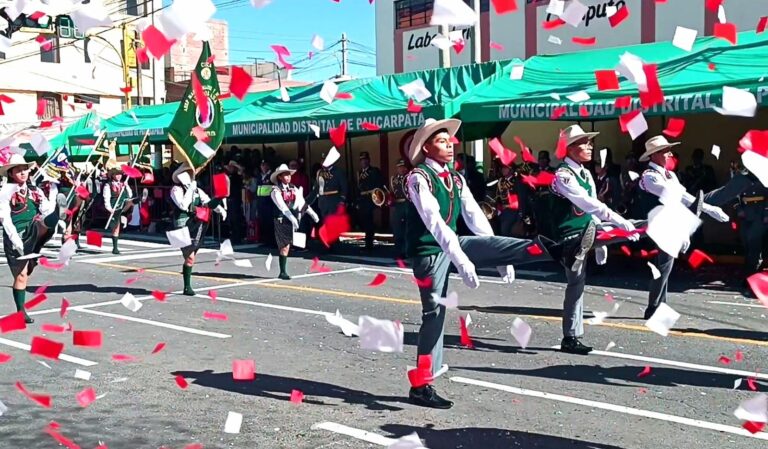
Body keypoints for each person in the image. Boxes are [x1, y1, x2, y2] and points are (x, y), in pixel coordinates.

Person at [404, 119, 591, 409]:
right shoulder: (418, 178)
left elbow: (474, 214)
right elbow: (434, 221)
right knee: (434, 315)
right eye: (442, 142)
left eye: (450, 141)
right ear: (426, 147)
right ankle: (422, 386)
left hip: (453, 244)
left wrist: (499, 257)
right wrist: (463, 261)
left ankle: (556, 250)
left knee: (495, 242)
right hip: (430, 252)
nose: (450, 146)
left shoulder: (455, 177)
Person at [550, 125, 639, 354]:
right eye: (583, 142)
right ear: (569, 148)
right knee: (575, 284)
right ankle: (570, 337)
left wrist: (602, 236)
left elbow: (591, 211)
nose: (590, 146)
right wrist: (617, 222)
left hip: (586, 231)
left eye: (590, 141)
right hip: (569, 236)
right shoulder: (563, 175)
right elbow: (588, 204)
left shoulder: (585, 173)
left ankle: (571, 336)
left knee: (577, 285)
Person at [0, 154, 58, 323]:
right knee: (22, 276)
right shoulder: (5, 193)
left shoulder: (35, 191)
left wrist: (53, 194)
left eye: (25, 169)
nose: (23, 173)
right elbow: (5, 219)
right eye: (19, 170)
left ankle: (48, 227)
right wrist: (15, 241)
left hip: (34, 231)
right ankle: (21, 312)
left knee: (43, 221)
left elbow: (46, 209)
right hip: (17, 236)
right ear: (11, 173)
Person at [170, 164, 226, 295]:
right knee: (189, 257)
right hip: (182, 225)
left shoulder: (197, 190)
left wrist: (219, 206)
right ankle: (187, 286)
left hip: (196, 224)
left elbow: (207, 203)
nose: (189, 176)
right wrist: (190, 189)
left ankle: (186, 285)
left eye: (190, 173)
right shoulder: (176, 190)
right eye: (185, 173)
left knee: (191, 257)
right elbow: (183, 205)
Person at [269, 164, 319, 280]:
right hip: (281, 218)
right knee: (284, 245)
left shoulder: (293, 188)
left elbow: (301, 203)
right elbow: (282, 207)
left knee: (289, 244)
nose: (288, 177)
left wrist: (312, 214)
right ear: (280, 177)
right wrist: (292, 218)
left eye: (289, 174)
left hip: (292, 217)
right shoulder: (275, 191)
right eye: (285, 175)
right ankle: (282, 271)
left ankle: (283, 270)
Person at [307, 156, 347, 248]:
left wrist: (342, 200)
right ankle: (329, 243)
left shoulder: (338, 172)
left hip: (334, 200)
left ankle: (332, 244)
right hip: (323, 201)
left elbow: (344, 187)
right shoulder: (320, 173)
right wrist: (307, 201)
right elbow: (316, 189)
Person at [356, 152, 384, 252]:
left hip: (371, 198)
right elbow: (358, 188)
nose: (363, 162)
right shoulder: (359, 173)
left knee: (369, 223)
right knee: (364, 222)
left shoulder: (374, 171)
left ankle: (369, 245)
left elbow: (379, 184)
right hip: (362, 200)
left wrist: (378, 200)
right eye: (362, 160)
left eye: (365, 160)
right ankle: (368, 243)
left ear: (368, 160)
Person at [103, 166, 134, 255]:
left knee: (131, 200)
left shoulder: (123, 184)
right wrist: (109, 208)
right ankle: (115, 247)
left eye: (120, 174)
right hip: (114, 206)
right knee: (116, 227)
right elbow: (106, 197)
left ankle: (125, 213)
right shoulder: (108, 185)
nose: (119, 176)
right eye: (116, 174)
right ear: (112, 175)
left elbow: (130, 195)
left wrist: (127, 186)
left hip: (123, 204)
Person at [494, 163, 522, 237]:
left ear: (511, 170)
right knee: (499, 231)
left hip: (512, 211)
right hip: (501, 210)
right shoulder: (501, 181)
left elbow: (521, 198)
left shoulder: (516, 181)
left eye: (506, 168)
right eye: (502, 168)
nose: (503, 169)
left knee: (505, 232)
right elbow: (498, 196)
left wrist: (520, 213)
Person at [390, 159, 409, 259]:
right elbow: (392, 192)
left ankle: (406, 251)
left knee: (407, 230)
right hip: (397, 205)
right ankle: (398, 252)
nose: (402, 169)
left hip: (407, 204)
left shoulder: (410, 177)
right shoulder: (394, 179)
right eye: (400, 167)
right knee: (397, 230)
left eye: (403, 167)